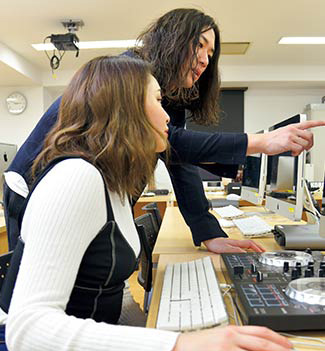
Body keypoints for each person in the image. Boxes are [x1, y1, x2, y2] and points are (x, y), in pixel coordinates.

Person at [0, 55, 302, 351]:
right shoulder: (76, 177)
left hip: (84, 343)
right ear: (125, 108)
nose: (168, 117)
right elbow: (28, 331)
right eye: (158, 100)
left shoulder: (110, 179)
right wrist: (178, 347)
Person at [3, 8, 323, 255]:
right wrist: (261, 143)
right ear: (172, 39)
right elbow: (175, 144)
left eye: (211, 54)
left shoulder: (166, 97)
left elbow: (176, 159)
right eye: (200, 45)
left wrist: (208, 232)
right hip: (35, 188)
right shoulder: (127, 75)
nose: (205, 60)